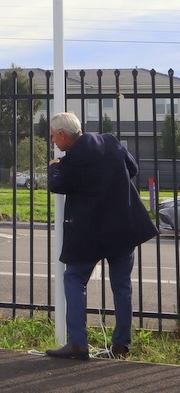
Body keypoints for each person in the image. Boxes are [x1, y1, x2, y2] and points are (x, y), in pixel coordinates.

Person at [45, 111, 158, 361]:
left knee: (74, 278)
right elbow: (133, 168)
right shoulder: (110, 141)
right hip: (122, 229)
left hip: (89, 234)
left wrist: (53, 167)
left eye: (53, 137)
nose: (53, 142)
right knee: (121, 286)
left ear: (63, 135)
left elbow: (57, 185)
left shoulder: (70, 161)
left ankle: (77, 344)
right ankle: (120, 347)